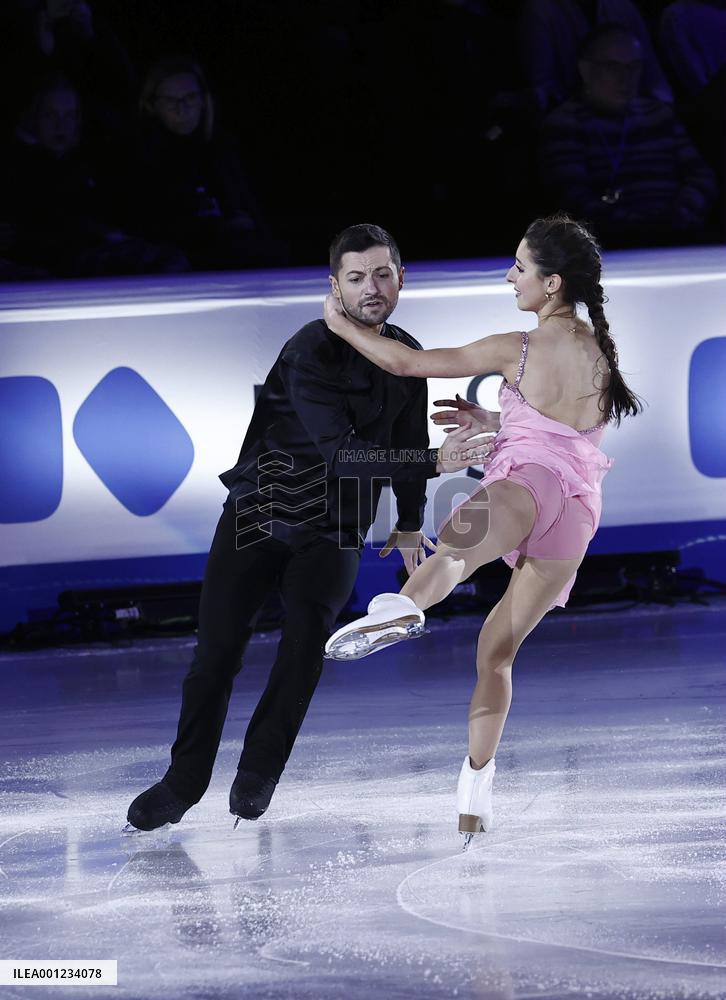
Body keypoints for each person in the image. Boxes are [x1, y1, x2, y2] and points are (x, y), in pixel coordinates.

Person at [125, 223, 487, 832]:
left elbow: (407, 436)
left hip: (337, 526)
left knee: (305, 648)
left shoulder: (406, 352)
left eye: (382, 274)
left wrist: (407, 524)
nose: (371, 288)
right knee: (216, 655)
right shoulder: (309, 350)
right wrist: (433, 462)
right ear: (335, 286)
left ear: (401, 279)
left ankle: (258, 773)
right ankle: (183, 781)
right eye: (356, 277)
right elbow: (342, 454)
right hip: (260, 512)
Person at [324, 214, 642, 847]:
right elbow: (564, 429)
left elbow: (408, 363)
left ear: (551, 283)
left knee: (452, 553)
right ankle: (474, 796)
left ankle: (399, 609)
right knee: (497, 654)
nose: (510, 276)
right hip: (576, 515)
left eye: (520, 267)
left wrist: (341, 325)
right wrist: (498, 419)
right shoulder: (600, 349)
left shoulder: (515, 347)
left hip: (525, 486)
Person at [539, 25, 718, 247]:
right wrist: (631, 225)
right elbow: (573, 197)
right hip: (611, 244)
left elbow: (701, 175)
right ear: (585, 70)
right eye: (613, 67)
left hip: (677, 235)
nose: (625, 78)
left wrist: (682, 210)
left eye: (634, 67)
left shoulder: (659, 115)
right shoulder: (565, 124)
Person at [130, 56, 279, 271]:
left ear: (203, 100)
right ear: (152, 106)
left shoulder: (223, 151)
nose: (182, 108)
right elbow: (152, 228)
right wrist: (217, 228)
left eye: (190, 97)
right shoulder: (143, 160)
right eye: (170, 101)